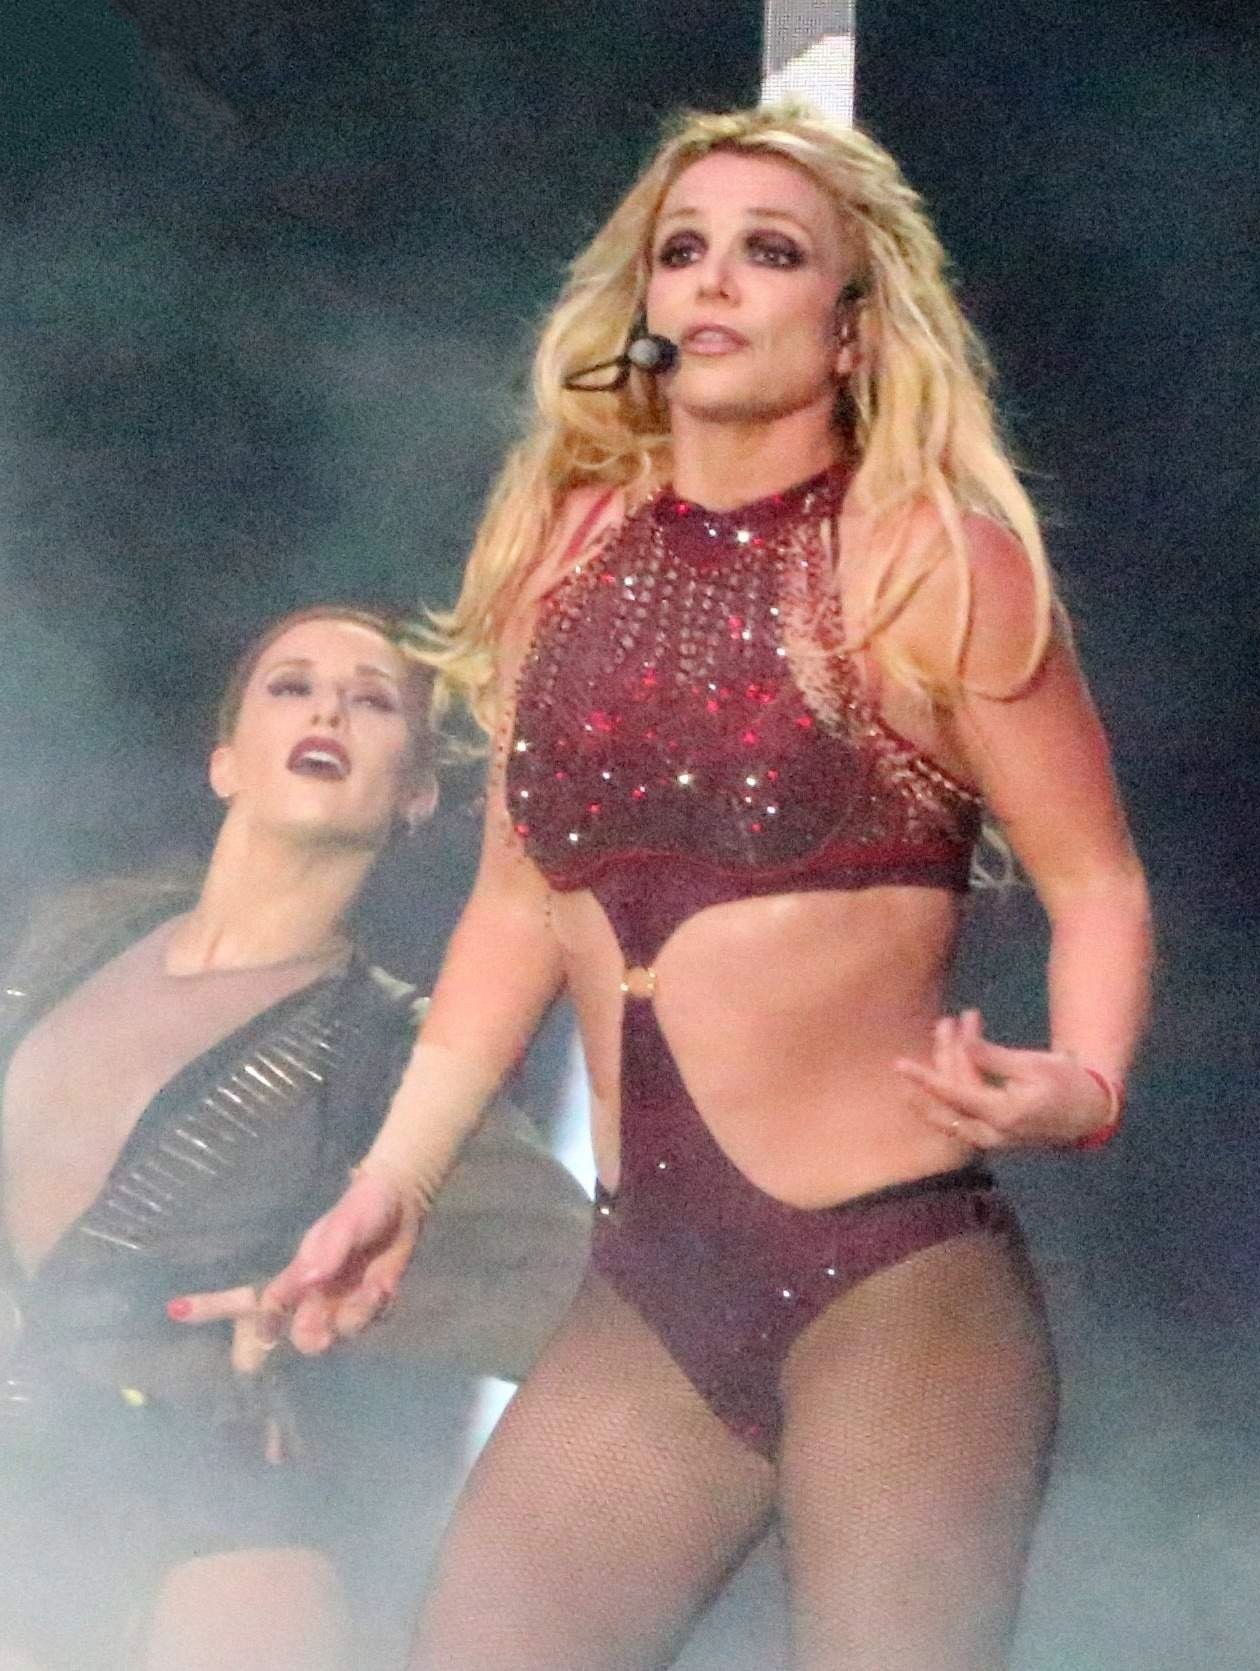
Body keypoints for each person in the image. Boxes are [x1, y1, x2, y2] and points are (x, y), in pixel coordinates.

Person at [264, 105, 1154, 1671]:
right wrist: (393, 1182)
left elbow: (1101, 881)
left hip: (895, 1285)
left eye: (771, 251)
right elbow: (514, 907)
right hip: (650, 1301)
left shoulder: (927, 562)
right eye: (684, 250)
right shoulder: (559, 558)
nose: (716, 280)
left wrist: (1083, 1082)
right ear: (645, 304)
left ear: (853, 328)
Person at [0, 606, 589, 1671]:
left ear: (417, 792)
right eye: (292, 686)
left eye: (373, 701)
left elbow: (604, 1312)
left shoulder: (400, 1061)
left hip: (204, 1535)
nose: (329, 710)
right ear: (224, 761)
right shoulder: (72, 929)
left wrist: (340, 1318)